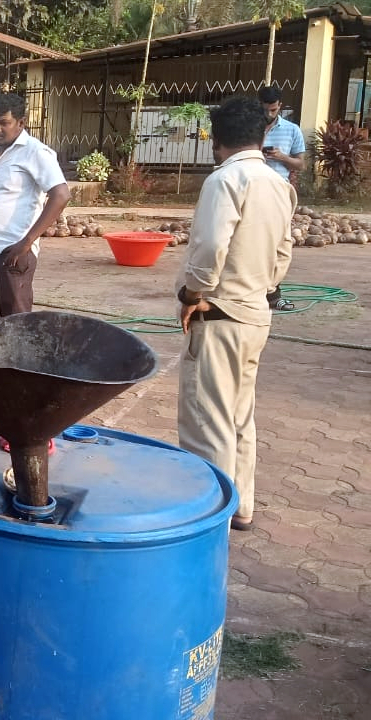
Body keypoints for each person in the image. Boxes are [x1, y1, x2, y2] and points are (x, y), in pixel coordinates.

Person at [175, 95, 295, 533]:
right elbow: (283, 251)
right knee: (241, 415)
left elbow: (209, 248)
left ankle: (210, 522)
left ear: (216, 138)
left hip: (219, 314)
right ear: (263, 135)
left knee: (208, 421)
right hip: (255, 312)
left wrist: (194, 293)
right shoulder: (278, 183)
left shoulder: (226, 180)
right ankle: (241, 505)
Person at [0, 93, 70, 316]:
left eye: (4, 123)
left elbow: (61, 195)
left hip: (13, 251)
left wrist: (27, 242)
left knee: (16, 320)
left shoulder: (35, 152)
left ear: (20, 123)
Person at [257, 84, 304, 312]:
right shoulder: (250, 128)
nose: (269, 114)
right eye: (265, 109)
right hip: (253, 191)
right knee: (255, 242)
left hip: (279, 192)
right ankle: (255, 293)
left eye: (273, 110)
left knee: (280, 245)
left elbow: (300, 164)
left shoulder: (292, 130)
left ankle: (273, 293)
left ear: (280, 107)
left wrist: (282, 156)